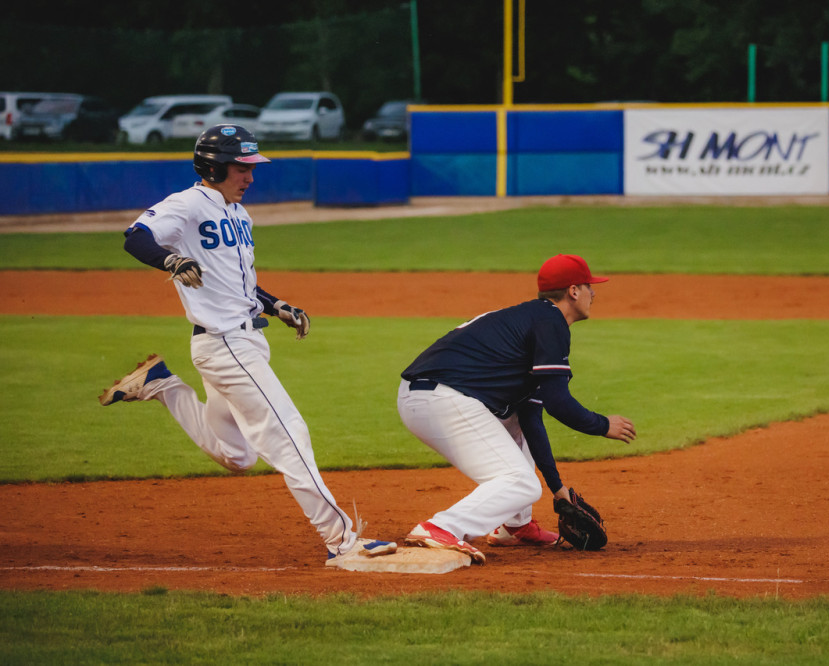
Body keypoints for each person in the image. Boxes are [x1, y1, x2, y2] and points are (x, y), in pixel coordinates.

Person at [98, 124, 396, 567]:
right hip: (225, 345)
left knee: (238, 456)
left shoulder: (238, 213)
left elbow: (238, 283)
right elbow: (135, 236)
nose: (250, 177)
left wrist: (275, 305)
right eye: (242, 167)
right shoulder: (187, 204)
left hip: (245, 340)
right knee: (290, 433)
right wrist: (171, 259)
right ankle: (342, 541)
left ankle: (161, 385)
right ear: (214, 166)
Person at [397, 254, 637, 564]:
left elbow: (531, 417)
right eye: (590, 286)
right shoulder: (551, 323)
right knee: (520, 482)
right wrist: (602, 424)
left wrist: (557, 487)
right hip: (441, 398)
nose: (595, 294)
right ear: (573, 291)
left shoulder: (535, 319)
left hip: (435, 395)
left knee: (518, 431)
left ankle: (515, 526)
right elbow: (558, 403)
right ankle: (441, 527)